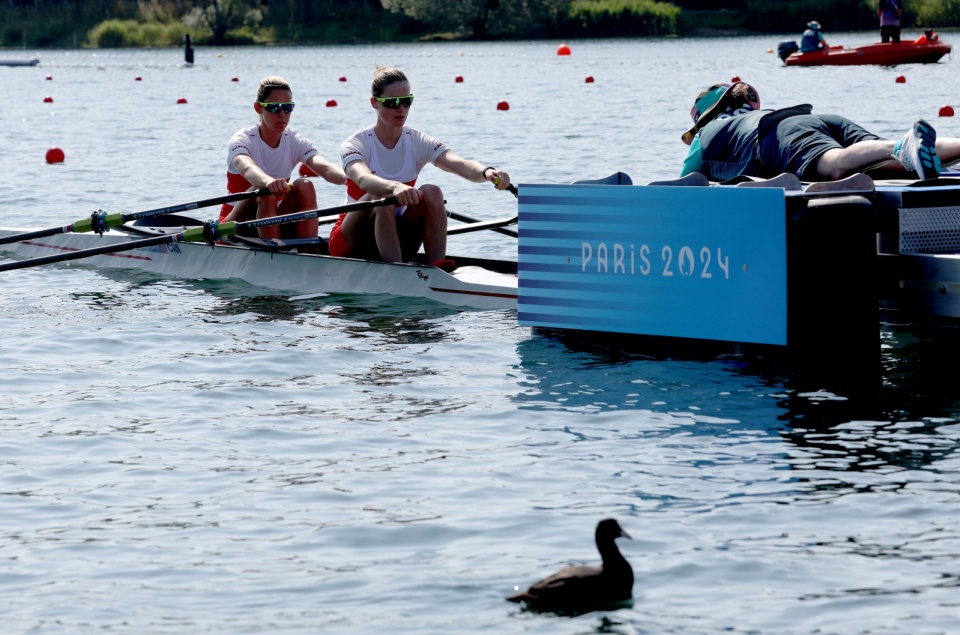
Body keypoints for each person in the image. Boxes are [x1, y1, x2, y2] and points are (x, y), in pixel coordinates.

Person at [331, 66, 512, 266]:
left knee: (432, 192)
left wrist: (487, 172)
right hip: (350, 242)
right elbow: (363, 179)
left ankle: (437, 268)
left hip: (396, 237)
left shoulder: (417, 140)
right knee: (383, 195)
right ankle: (397, 272)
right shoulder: (355, 144)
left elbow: (460, 164)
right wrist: (394, 186)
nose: (401, 108)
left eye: (407, 101)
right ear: (374, 103)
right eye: (392, 103)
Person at [680, 82, 960, 183]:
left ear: (703, 119)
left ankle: (901, 146)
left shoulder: (706, 134)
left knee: (836, 165)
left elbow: (686, 184)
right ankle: (909, 147)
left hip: (777, 135)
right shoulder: (750, 115)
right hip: (813, 119)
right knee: (890, 165)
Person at [221, 76, 345, 240]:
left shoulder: (293, 140)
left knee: (305, 185)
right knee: (265, 192)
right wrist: (267, 181)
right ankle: (276, 253)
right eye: (274, 108)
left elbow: (325, 167)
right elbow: (246, 167)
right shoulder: (242, 140)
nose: (282, 114)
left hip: (273, 217)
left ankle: (308, 248)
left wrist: (351, 178)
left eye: (287, 107)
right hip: (235, 223)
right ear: (258, 108)